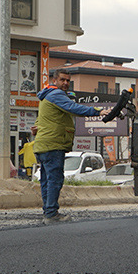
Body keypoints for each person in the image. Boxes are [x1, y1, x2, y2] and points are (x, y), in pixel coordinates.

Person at [31, 70, 99, 223]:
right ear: (54, 80)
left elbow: (41, 120)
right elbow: (75, 108)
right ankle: (51, 214)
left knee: (46, 180)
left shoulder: (46, 96)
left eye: (68, 80)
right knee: (55, 180)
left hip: (43, 145)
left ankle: (48, 212)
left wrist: (37, 127)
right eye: (62, 80)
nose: (66, 83)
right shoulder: (57, 94)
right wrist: (98, 111)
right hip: (53, 145)